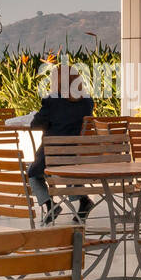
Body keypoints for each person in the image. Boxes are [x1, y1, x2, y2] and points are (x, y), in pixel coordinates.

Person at [25, 63, 94, 224]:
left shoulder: (52, 102)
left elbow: (36, 125)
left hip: (52, 157)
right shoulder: (87, 102)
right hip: (75, 157)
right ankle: (83, 200)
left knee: (32, 174)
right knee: (67, 171)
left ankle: (50, 205)